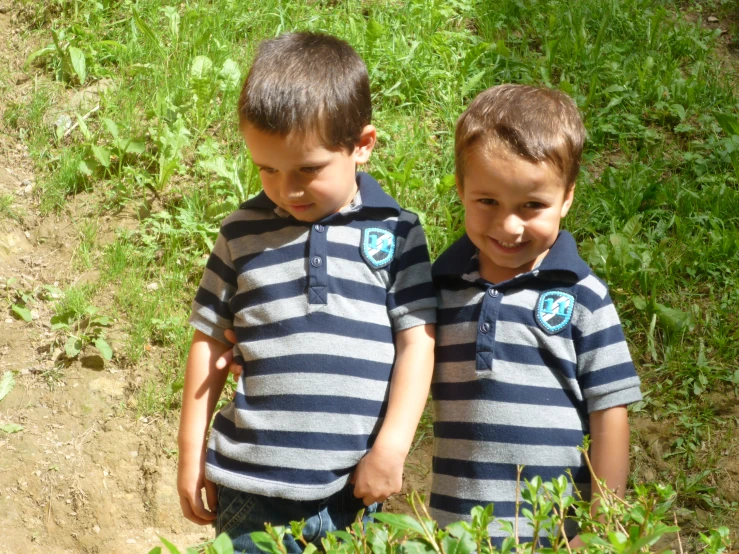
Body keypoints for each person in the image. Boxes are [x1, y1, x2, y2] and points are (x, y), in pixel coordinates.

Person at [177, 31, 437, 553]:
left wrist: (391, 449)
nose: (286, 189)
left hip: (352, 493)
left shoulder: (396, 232)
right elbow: (207, 341)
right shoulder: (241, 232)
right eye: (266, 169)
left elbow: (418, 342)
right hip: (250, 491)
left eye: (308, 170)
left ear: (362, 146)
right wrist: (190, 453)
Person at [429, 84, 642, 547]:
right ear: (461, 189)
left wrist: (606, 524)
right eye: (488, 202)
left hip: (556, 535)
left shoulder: (583, 297)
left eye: (532, 206)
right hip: (456, 533)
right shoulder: (439, 292)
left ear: (566, 198)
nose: (509, 226)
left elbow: (610, 413)